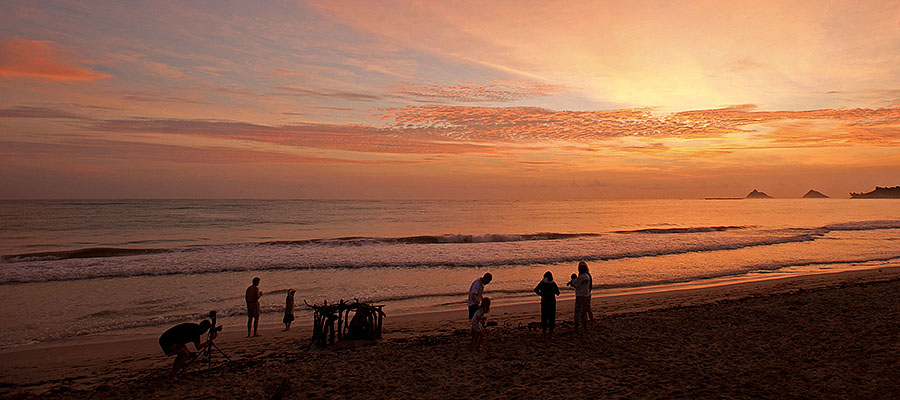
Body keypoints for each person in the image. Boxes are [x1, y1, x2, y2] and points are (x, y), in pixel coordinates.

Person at [534, 271, 560, 339]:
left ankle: (544, 334)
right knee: (551, 318)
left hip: (544, 301)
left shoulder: (542, 283)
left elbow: (535, 289)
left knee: (544, 317)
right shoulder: (553, 283)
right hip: (552, 302)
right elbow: (558, 293)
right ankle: (550, 335)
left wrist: (541, 294)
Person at [570, 262, 594, 333]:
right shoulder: (587, 276)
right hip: (586, 295)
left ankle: (576, 329)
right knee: (584, 312)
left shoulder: (580, 277)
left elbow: (575, 284)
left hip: (580, 295)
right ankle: (585, 328)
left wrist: (573, 281)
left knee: (577, 312)